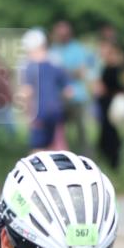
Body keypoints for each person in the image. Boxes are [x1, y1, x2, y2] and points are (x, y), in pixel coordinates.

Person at [18, 29, 72, 153]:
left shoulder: (28, 66)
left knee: (38, 150)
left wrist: (28, 115)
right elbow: (69, 92)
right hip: (56, 111)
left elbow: (26, 92)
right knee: (58, 147)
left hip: (39, 112)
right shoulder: (56, 62)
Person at [48, 20, 97, 155]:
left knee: (81, 132)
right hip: (58, 98)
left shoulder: (77, 49)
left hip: (77, 97)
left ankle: (88, 159)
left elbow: (81, 72)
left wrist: (62, 74)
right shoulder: (53, 50)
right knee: (58, 133)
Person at [92, 40, 124, 170]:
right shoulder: (105, 67)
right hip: (105, 108)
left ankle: (115, 165)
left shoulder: (118, 69)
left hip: (112, 108)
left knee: (111, 136)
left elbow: (118, 87)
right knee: (105, 138)